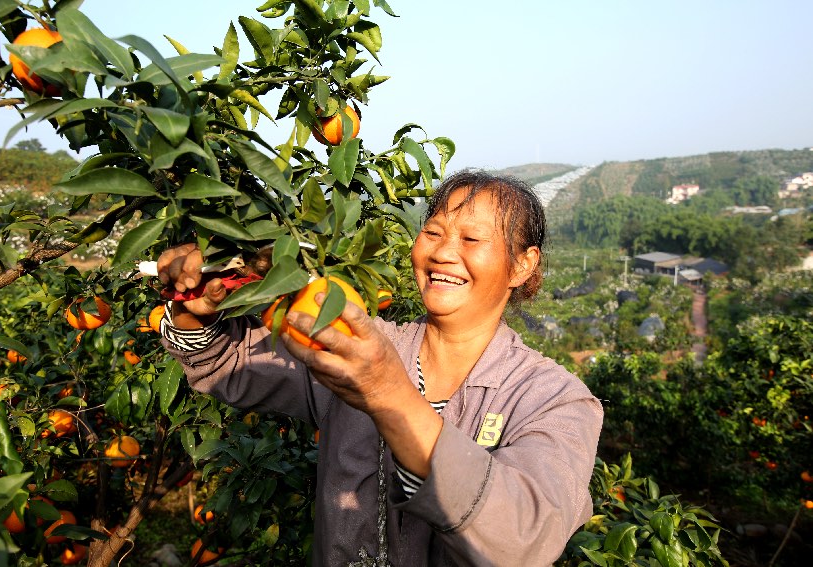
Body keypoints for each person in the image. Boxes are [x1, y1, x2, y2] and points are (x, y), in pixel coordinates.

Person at [157, 170, 603, 567]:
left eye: (471, 240)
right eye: (432, 232)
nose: (444, 253)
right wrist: (196, 308)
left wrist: (389, 393)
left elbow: (525, 543)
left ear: (523, 265)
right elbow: (227, 361)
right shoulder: (360, 343)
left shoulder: (554, 399)